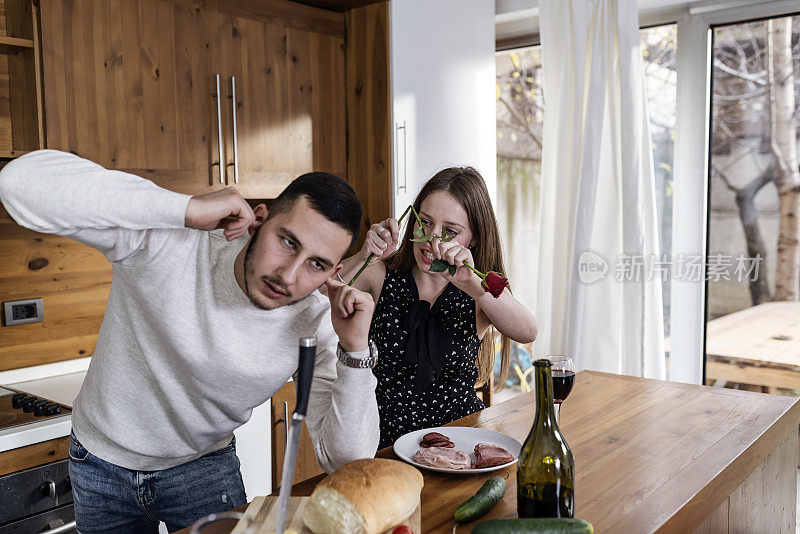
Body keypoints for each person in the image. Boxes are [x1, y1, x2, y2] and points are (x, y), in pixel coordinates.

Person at [0, 150, 380, 533]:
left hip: (204, 469)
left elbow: (347, 459)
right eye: (287, 242)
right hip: (100, 462)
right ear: (260, 219)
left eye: (317, 264)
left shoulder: (318, 319)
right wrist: (183, 208)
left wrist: (355, 350)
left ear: (334, 272)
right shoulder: (172, 241)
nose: (289, 274)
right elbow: (18, 184)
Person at [337, 167, 537, 448]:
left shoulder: (477, 291)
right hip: (382, 445)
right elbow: (319, 292)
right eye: (425, 223)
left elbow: (528, 331)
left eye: (450, 231)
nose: (432, 239)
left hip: (460, 444)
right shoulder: (380, 275)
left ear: (474, 238)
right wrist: (363, 257)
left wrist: (474, 287)